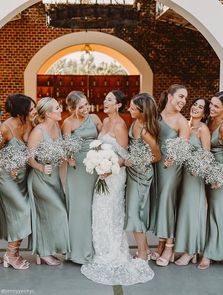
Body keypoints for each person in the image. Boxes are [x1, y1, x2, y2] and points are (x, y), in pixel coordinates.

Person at [81, 90, 154, 285]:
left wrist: (109, 167)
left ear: (119, 105)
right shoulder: (104, 122)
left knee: (112, 211)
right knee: (99, 209)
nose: (105, 102)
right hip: (102, 173)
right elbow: (99, 146)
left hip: (114, 175)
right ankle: (101, 248)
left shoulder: (121, 125)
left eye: (109, 100)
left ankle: (114, 250)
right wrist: (97, 162)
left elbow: (124, 156)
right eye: (104, 99)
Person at [27, 97, 70, 266]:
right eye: (57, 108)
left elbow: (57, 150)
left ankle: (48, 250)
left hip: (55, 180)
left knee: (52, 215)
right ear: (48, 113)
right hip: (40, 179)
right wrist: (41, 168)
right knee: (55, 212)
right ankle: (44, 253)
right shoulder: (38, 131)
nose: (61, 110)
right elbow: (29, 158)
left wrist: (66, 156)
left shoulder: (57, 128)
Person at [62, 91, 102, 264]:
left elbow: (105, 139)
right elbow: (65, 147)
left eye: (87, 104)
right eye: (81, 107)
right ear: (72, 108)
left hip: (95, 166)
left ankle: (96, 247)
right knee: (80, 208)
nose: (86, 109)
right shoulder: (68, 123)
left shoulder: (95, 119)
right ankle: (78, 252)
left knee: (94, 207)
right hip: (77, 167)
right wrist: (67, 157)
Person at [152, 84, 190, 266]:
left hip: (172, 168)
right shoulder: (157, 116)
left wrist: (173, 159)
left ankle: (169, 247)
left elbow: (183, 148)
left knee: (168, 202)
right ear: (169, 96)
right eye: (181, 96)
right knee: (160, 202)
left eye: (185, 99)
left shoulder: (182, 122)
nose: (183, 101)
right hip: (157, 165)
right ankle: (160, 244)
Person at [198, 91, 223, 269]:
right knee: (210, 212)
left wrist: (220, 176)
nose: (211, 108)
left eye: (216, 106)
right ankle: (211, 248)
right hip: (210, 171)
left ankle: (211, 254)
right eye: (211, 104)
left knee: (218, 213)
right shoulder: (209, 121)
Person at [0, 93, 36, 269]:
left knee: (22, 212)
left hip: (23, 177)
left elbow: (31, 147)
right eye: (31, 108)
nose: (34, 110)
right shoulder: (5, 128)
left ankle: (12, 253)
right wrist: (8, 165)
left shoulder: (28, 123)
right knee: (23, 210)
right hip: (6, 177)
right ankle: (11, 255)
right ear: (22, 110)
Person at [124, 93, 161, 260]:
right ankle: (143, 249)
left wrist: (138, 161)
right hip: (132, 173)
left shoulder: (146, 131)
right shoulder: (135, 122)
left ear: (142, 111)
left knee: (134, 213)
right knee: (134, 212)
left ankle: (143, 253)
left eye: (133, 108)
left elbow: (157, 156)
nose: (129, 109)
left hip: (141, 176)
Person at [174, 98, 210, 265]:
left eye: (201, 107)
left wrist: (199, 168)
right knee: (184, 211)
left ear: (205, 112)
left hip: (195, 175)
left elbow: (206, 154)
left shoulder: (203, 129)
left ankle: (192, 251)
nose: (196, 108)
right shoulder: (185, 126)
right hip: (182, 174)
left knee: (193, 210)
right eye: (195, 104)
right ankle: (187, 248)